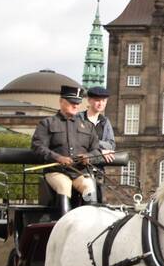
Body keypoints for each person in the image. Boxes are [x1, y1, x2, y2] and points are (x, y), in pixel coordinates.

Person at [30, 84, 101, 217]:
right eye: (72, 102)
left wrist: (88, 157)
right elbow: (37, 147)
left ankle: (89, 223)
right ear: (61, 101)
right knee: (64, 185)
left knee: (89, 186)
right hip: (57, 171)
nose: (75, 106)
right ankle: (63, 224)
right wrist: (57, 158)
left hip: (79, 172)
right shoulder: (47, 123)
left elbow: (97, 151)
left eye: (78, 103)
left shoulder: (88, 127)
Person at [79, 86, 116, 162]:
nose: (101, 104)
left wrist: (93, 144)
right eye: (97, 100)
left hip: (98, 165)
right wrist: (100, 150)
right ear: (89, 100)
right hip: (81, 164)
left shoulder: (105, 121)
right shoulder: (78, 118)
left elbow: (111, 145)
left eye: (103, 101)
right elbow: (77, 142)